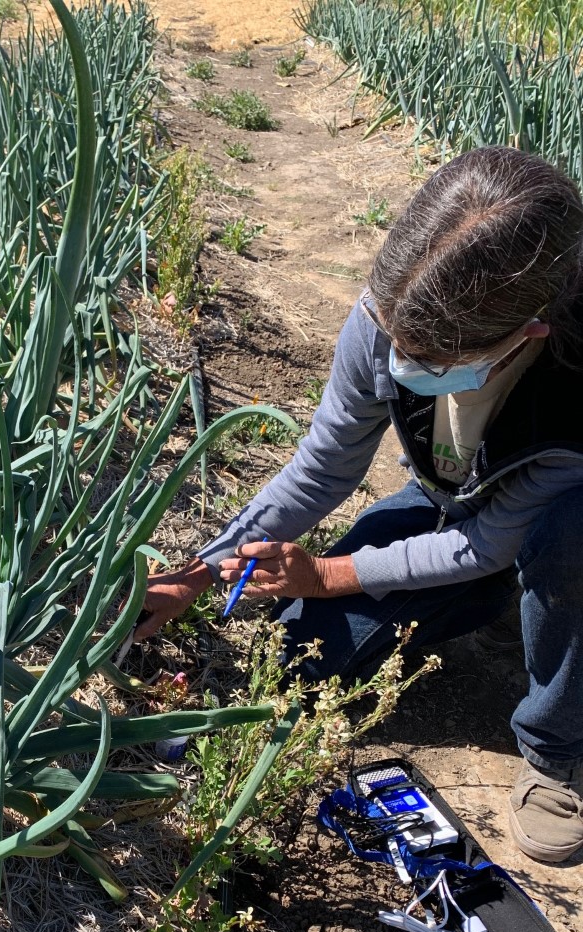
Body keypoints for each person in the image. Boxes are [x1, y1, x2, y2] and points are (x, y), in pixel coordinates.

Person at [136, 145, 583, 866]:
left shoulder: (571, 379)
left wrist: (328, 575)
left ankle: (555, 744)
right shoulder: (391, 311)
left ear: (526, 334)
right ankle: (509, 609)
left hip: (564, 520)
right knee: (306, 659)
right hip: (465, 507)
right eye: (394, 336)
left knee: (566, 542)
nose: (400, 359)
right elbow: (321, 470)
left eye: (430, 359)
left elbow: (487, 545)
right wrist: (200, 571)